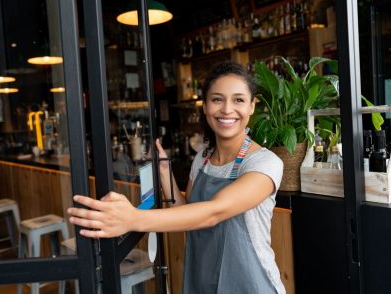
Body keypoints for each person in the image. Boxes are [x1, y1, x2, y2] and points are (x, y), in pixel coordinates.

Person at [67, 61, 285, 294]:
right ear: (205, 106)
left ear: (252, 106)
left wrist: (133, 218)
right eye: (217, 99)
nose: (227, 109)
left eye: (239, 100)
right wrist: (164, 172)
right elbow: (189, 212)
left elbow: (214, 212)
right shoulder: (202, 158)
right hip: (201, 279)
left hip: (249, 284)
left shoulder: (264, 163)